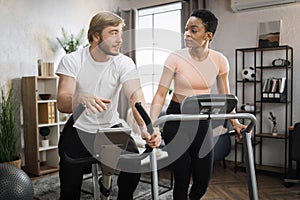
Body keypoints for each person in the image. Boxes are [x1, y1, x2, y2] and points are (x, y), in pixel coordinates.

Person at [56, 11, 161, 200]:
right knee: (69, 189)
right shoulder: (72, 60)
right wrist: (79, 98)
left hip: (110, 127)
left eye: (120, 33)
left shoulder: (123, 62)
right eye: (113, 33)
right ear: (96, 36)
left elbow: (135, 98)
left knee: (133, 167)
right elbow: (62, 102)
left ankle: (115, 191)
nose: (120, 39)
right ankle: (103, 179)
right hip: (79, 127)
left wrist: (147, 128)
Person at [150, 9, 246, 200]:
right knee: (182, 178)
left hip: (202, 119)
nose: (187, 34)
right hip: (177, 119)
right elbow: (161, 94)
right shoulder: (175, 58)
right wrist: (151, 125)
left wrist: (235, 122)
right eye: (186, 29)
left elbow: (225, 96)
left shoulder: (219, 60)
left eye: (194, 30)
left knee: (202, 180)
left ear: (208, 35)